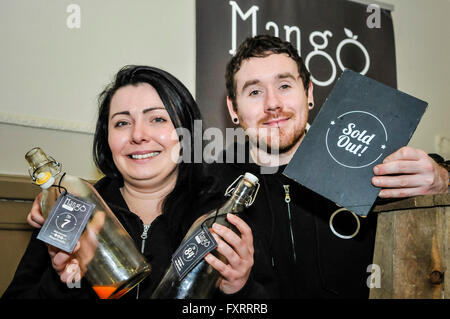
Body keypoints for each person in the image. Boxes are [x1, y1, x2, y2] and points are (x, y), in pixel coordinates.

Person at [204, 35, 449, 298]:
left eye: (284, 85)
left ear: (308, 92)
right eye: (254, 91)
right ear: (233, 109)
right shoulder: (211, 187)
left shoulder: (365, 157)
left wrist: (443, 179)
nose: (273, 103)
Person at [2, 65, 257, 299]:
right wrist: (61, 282)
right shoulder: (73, 211)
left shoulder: (220, 220)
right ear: (107, 138)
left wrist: (236, 289)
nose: (137, 135)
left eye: (157, 119)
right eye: (122, 123)